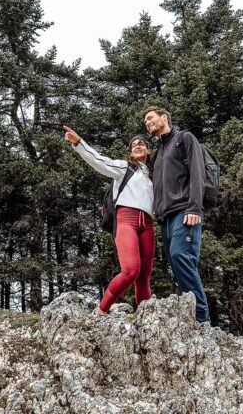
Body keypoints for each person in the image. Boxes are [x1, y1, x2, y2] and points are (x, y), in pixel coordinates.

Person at [63, 125, 155, 315]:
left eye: (142, 144)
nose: (138, 146)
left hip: (148, 224)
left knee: (144, 277)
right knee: (130, 270)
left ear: (148, 150)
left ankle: (145, 317)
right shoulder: (125, 168)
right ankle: (101, 310)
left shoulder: (154, 175)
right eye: (134, 145)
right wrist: (79, 144)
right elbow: (99, 161)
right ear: (130, 152)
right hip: (126, 220)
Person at [142, 106, 210, 323]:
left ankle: (202, 319)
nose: (148, 122)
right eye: (145, 121)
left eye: (150, 118)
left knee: (182, 256)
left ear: (164, 118)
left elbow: (198, 173)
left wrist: (194, 207)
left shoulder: (184, 139)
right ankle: (194, 316)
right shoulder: (159, 153)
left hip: (185, 211)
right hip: (165, 218)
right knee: (177, 263)